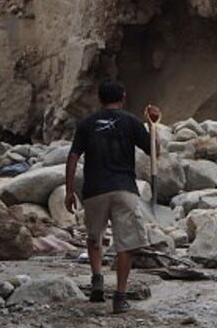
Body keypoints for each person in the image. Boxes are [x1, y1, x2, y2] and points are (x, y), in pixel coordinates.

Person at [64, 78, 161, 314]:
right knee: (125, 244)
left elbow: (73, 157)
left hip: (94, 190)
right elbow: (155, 151)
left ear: (99, 99)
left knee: (94, 237)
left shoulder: (87, 123)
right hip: (124, 189)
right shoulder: (131, 122)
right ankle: (119, 297)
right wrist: (153, 126)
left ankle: (97, 278)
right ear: (123, 97)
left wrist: (68, 191)